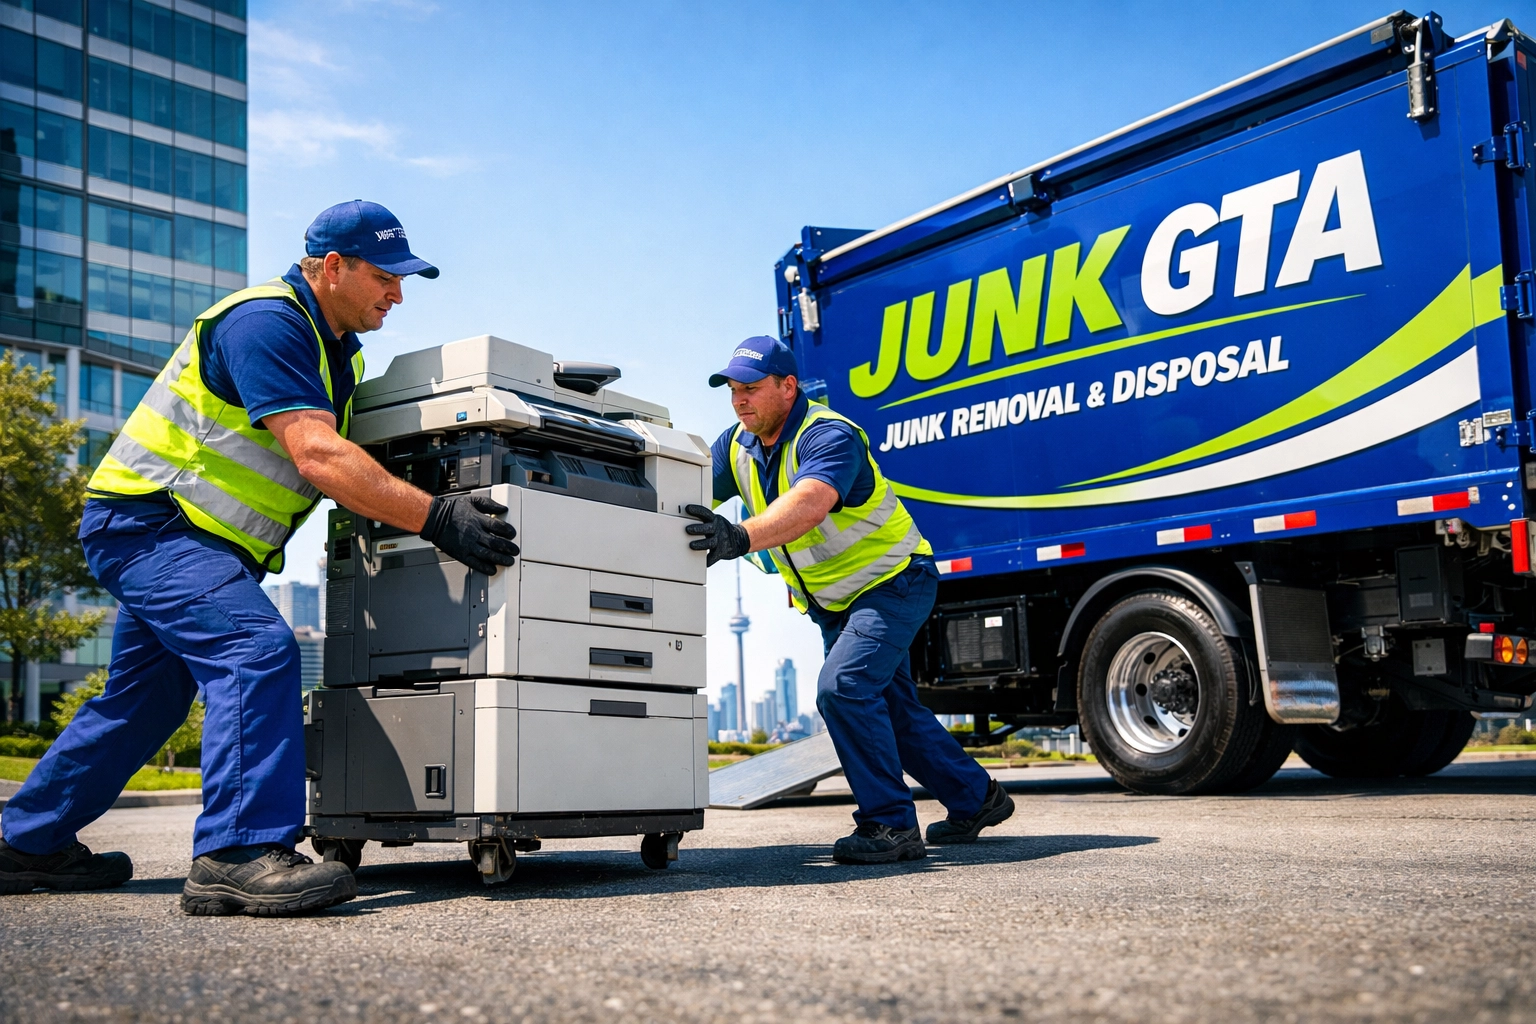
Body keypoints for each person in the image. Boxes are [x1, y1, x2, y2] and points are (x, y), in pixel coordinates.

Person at [0, 201, 520, 914]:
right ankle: (238, 852)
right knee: (256, 647)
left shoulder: (339, 351)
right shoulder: (267, 322)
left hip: (201, 542)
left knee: (142, 704)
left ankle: (25, 844)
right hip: (156, 524)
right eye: (385, 276)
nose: (397, 293)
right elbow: (315, 452)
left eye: (403, 281)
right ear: (331, 267)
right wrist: (437, 517)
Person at [685, 335, 1014, 864]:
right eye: (732, 391)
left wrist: (738, 536)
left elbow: (811, 503)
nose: (739, 400)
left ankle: (889, 825)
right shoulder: (736, 446)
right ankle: (977, 798)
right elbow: (687, 492)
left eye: (751, 388)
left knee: (845, 688)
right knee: (893, 708)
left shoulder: (829, 434)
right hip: (836, 602)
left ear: (787, 387)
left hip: (892, 581)